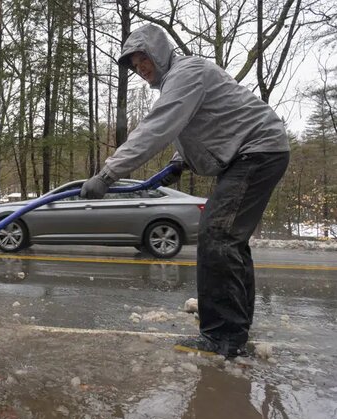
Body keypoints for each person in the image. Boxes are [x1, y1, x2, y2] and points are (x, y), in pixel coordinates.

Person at [80, 24, 290, 358]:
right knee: (229, 240)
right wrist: (179, 162)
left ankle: (223, 338)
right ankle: (234, 328)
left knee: (217, 235)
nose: (140, 68)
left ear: (158, 52)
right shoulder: (180, 81)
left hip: (256, 152)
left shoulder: (187, 72)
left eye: (143, 58)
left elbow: (158, 127)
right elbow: (194, 125)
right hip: (254, 152)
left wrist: (108, 173)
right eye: (134, 65)